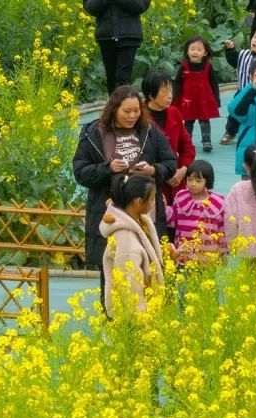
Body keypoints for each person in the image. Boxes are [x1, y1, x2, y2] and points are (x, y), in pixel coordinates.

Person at [72, 86, 177, 292]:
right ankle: (112, 317)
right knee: (111, 268)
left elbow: (170, 162)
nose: (132, 116)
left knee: (150, 269)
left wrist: (152, 169)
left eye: (136, 111)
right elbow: (80, 171)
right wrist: (107, 168)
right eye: (126, 111)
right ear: (114, 109)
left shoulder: (149, 131)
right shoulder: (93, 133)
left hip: (147, 212)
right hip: (110, 214)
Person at [100, 174, 165, 314]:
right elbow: (130, 285)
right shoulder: (126, 238)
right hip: (135, 318)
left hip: (147, 309)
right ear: (139, 202)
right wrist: (141, 317)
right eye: (152, 199)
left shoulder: (139, 221)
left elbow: (147, 256)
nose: (155, 202)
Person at [142, 69, 195, 204]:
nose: (170, 96)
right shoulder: (139, 117)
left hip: (177, 179)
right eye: (165, 92)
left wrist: (183, 169)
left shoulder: (174, 112)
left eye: (171, 90)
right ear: (151, 95)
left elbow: (187, 146)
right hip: (151, 182)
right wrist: (164, 174)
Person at [220, 28, 256, 145]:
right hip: (242, 91)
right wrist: (230, 50)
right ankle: (230, 132)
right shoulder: (243, 54)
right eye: (255, 37)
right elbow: (233, 60)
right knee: (235, 113)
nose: (255, 40)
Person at [166, 160, 225, 259]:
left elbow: (222, 231)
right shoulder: (181, 197)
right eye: (189, 179)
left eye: (198, 181)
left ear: (207, 181)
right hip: (183, 255)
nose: (193, 184)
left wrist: (223, 253)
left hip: (207, 259)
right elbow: (173, 220)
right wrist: (164, 209)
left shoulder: (218, 203)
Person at [172, 36, 221, 153]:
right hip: (188, 100)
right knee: (188, 121)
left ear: (204, 53)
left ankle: (206, 141)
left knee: (204, 120)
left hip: (203, 99)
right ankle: (187, 142)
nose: (195, 52)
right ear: (187, 51)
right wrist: (175, 97)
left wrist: (216, 98)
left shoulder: (208, 67)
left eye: (199, 50)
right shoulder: (184, 66)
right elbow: (178, 82)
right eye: (192, 49)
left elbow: (214, 83)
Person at [223, 144, 256, 259]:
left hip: (246, 251)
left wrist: (232, 247)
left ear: (244, 165)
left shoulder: (237, 189)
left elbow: (230, 221)